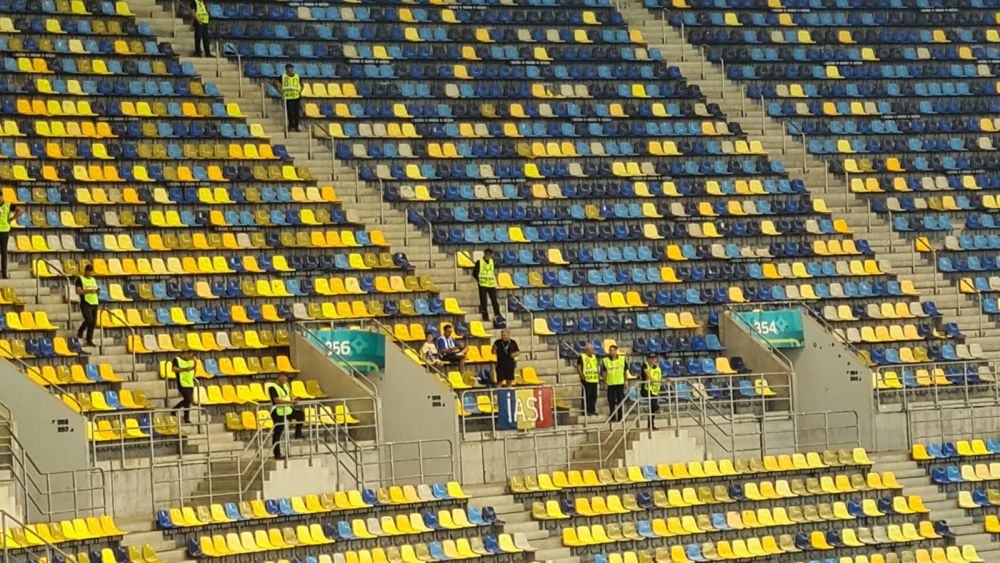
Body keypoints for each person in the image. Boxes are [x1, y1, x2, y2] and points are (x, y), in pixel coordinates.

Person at [267, 374, 304, 459]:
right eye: (283, 378)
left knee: (300, 414)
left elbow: (287, 397)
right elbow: (276, 400)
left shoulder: (286, 387)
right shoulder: (272, 387)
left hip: (287, 410)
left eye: (286, 379)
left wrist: (294, 400)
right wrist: (290, 402)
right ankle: (277, 453)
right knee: (278, 432)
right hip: (278, 412)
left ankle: (298, 433)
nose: (285, 380)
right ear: (278, 378)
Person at [471, 249, 502, 322]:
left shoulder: (491, 262)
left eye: (490, 255)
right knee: (484, 301)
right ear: (484, 254)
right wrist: (479, 279)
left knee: (494, 300)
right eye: (487, 255)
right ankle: (485, 316)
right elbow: (474, 273)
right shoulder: (479, 262)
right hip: (483, 284)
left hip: (491, 284)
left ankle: (498, 314)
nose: (489, 257)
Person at [74, 265, 99, 347]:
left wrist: (97, 291)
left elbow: (95, 290)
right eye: (88, 271)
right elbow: (78, 291)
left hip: (94, 301)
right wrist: (88, 291)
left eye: (90, 271)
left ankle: (89, 339)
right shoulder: (80, 279)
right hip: (85, 302)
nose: (89, 272)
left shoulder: (93, 280)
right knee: (89, 319)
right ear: (85, 271)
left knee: (93, 323)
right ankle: (81, 330)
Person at [602, 345, 627, 422]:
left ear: (616, 351)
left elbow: (625, 372)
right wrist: (605, 383)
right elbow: (604, 373)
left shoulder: (622, 359)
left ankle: (620, 417)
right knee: (611, 401)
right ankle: (612, 417)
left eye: (612, 350)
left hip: (620, 383)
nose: (611, 352)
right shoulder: (606, 360)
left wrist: (626, 381)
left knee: (620, 401)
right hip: (611, 384)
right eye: (610, 350)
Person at [172, 350, 197, 423]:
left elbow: (194, 370)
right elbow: (174, 369)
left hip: (190, 382)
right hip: (182, 382)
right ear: (186, 353)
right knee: (188, 399)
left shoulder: (191, 361)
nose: (190, 358)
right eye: (190, 356)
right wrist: (184, 369)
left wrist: (195, 363)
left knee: (188, 402)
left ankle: (187, 418)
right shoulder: (177, 359)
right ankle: (175, 409)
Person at [0, 194, 21, 279]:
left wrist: (12, 219)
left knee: (4, 253)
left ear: (2, 197)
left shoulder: (8, 205)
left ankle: (4, 274)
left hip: (4, 231)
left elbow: (20, 211)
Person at [576, 343, 600, 416]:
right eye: (592, 349)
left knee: (594, 396)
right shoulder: (581, 357)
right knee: (586, 396)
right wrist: (582, 376)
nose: (593, 350)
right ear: (587, 349)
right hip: (586, 379)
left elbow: (596, 367)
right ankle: (585, 411)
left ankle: (592, 410)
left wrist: (598, 376)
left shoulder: (595, 357)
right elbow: (579, 367)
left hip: (594, 379)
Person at [641, 353, 662, 429]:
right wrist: (651, 379)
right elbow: (647, 374)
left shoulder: (658, 369)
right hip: (645, 389)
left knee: (652, 409)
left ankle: (651, 425)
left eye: (654, 358)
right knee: (653, 402)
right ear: (648, 359)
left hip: (654, 390)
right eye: (651, 358)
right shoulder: (645, 365)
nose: (653, 360)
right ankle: (657, 407)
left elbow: (659, 378)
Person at [280, 64, 302, 132]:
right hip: (288, 97)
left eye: (292, 68)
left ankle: (296, 126)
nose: (291, 69)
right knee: (290, 112)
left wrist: (300, 91)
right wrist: (279, 89)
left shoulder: (297, 76)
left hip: (296, 96)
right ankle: (290, 126)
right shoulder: (283, 76)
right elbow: (276, 82)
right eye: (289, 68)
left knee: (296, 113)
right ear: (286, 69)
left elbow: (302, 84)